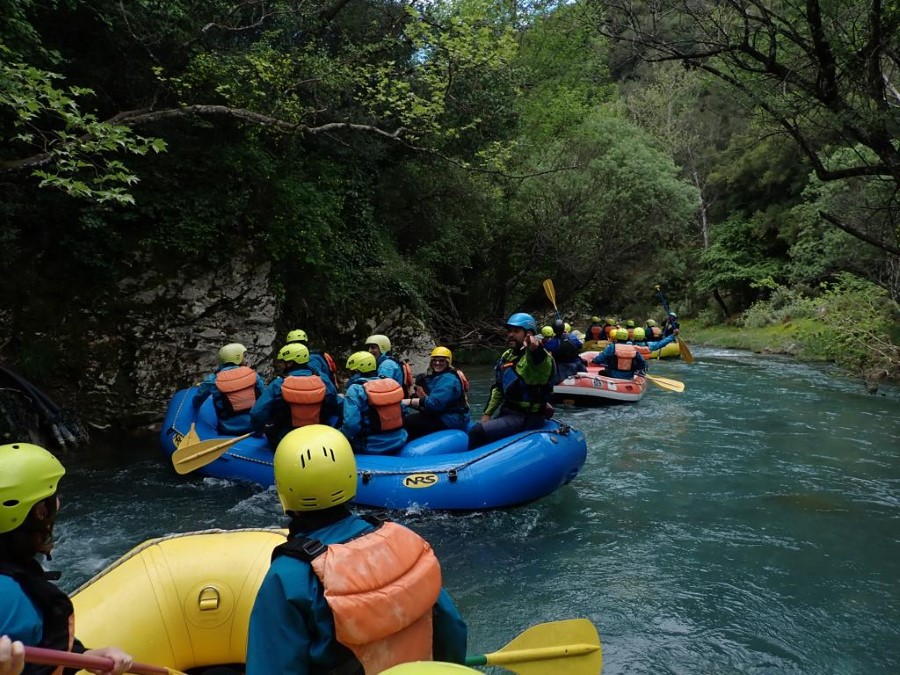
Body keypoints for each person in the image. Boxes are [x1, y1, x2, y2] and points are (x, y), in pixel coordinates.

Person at [246, 425, 467, 675]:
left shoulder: (289, 575)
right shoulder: (405, 540)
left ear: (284, 487)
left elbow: (273, 667)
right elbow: (453, 629)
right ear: (350, 475)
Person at [0, 443, 134, 675]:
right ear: (39, 512)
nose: (58, 504)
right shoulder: (12, 599)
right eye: (52, 498)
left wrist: (84, 656)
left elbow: (39, 650)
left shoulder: (15, 576)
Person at [468, 313, 554, 450]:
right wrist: (487, 414)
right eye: (509, 331)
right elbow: (499, 388)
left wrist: (535, 348)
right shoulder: (507, 355)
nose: (510, 334)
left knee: (476, 432)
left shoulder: (539, 359)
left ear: (529, 334)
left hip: (527, 417)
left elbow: (539, 359)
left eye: (516, 331)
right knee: (478, 428)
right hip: (508, 411)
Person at [250, 344, 340, 445]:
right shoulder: (324, 380)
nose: (281, 366)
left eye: (283, 362)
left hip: (285, 439)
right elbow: (338, 404)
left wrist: (259, 430)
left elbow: (256, 413)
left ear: (290, 363)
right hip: (319, 435)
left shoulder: (278, 384)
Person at [340, 352, 408, 454]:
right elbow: (403, 411)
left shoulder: (355, 389)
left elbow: (351, 425)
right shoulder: (390, 383)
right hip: (399, 439)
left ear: (357, 371)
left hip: (372, 445)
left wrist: (339, 436)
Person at [192, 343, 265, 435]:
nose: (246, 360)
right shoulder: (254, 375)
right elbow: (264, 399)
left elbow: (197, 399)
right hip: (255, 426)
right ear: (237, 358)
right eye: (244, 357)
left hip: (229, 429)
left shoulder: (213, 379)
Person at [401, 347, 469, 440]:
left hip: (451, 418)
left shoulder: (449, 379)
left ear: (448, 362)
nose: (437, 363)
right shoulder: (435, 377)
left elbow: (435, 404)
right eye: (434, 360)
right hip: (442, 414)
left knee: (409, 421)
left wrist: (409, 402)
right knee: (406, 418)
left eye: (442, 361)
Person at [543, 319, 586, 384]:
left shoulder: (552, 342)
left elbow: (545, 349)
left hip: (562, 368)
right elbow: (580, 346)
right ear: (563, 328)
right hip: (578, 365)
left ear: (554, 330)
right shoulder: (572, 336)